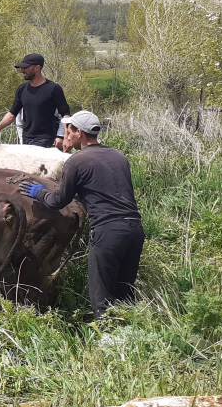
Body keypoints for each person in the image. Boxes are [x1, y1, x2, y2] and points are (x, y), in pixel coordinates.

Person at [18, 111, 144, 319]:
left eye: (68, 131)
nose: (67, 136)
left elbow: (58, 201)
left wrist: (38, 192)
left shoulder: (77, 161)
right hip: (134, 230)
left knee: (101, 296)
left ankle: (105, 342)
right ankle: (129, 338)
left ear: (79, 133)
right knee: (125, 293)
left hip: (108, 231)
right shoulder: (118, 156)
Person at [0, 53, 70, 147]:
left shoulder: (53, 89)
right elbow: (12, 114)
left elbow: (65, 115)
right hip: (26, 139)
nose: (22, 71)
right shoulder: (22, 89)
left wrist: (62, 136)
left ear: (37, 68)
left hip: (47, 140)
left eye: (25, 67)